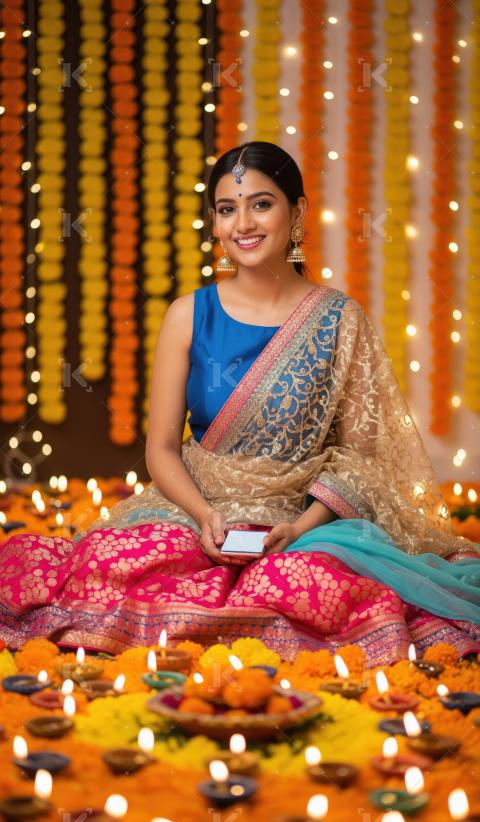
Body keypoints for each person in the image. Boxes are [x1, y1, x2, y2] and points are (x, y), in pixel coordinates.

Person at [1, 141, 479, 666]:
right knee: (114, 561)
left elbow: (360, 460)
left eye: (261, 204)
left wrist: (299, 529)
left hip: (303, 521)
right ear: (214, 222)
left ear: (295, 212)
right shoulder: (188, 315)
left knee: (311, 585)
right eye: (228, 209)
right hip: (199, 511)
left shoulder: (339, 319)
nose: (243, 224)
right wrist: (205, 516)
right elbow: (161, 450)